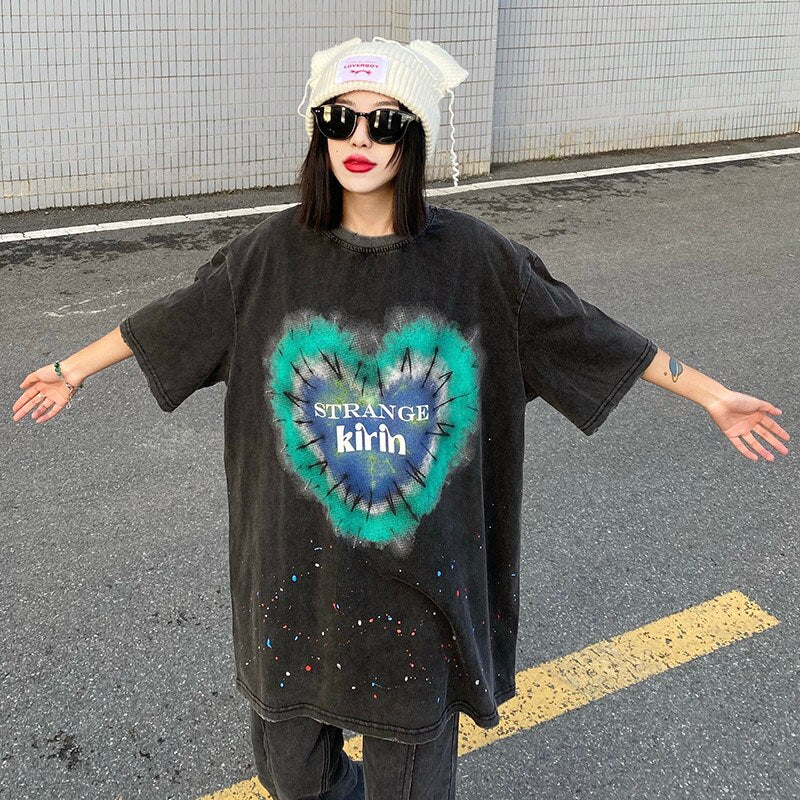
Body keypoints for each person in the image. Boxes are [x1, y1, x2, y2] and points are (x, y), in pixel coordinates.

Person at [11, 35, 789, 800]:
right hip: (293, 594)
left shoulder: (477, 261)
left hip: (421, 600)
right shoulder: (266, 257)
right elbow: (174, 320)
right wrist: (69, 370)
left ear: (414, 138)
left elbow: (589, 332)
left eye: (383, 122)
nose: (359, 138)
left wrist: (709, 393)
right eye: (338, 118)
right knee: (293, 776)